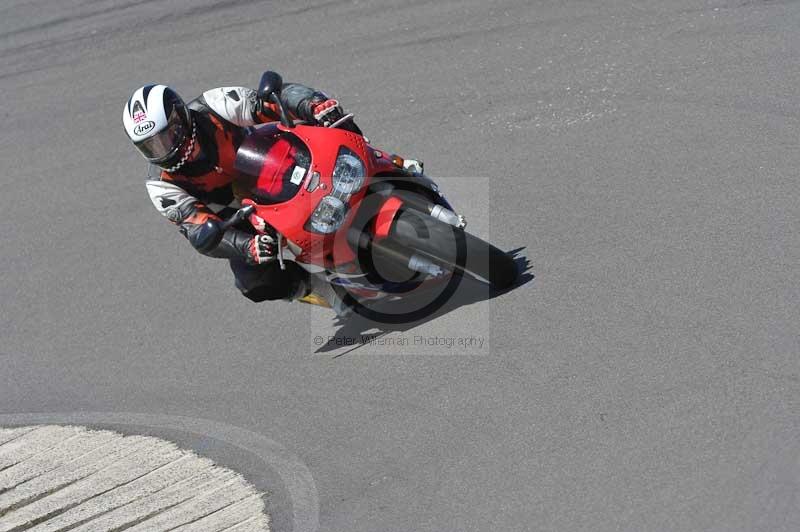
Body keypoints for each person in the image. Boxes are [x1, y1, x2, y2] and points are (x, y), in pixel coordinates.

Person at [122, 75, 421, 311]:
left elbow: (270, 101)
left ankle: (387, 161)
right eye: (151, 146)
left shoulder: (214, 106)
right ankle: (318, 288)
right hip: (242, 211)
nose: (161, 150)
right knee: (251, 281)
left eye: (164, 137)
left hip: (276, 160)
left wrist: (311, 104)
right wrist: (245, 246)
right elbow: (197, 230)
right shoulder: (162, 185)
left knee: (329, 120)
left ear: (180, 119)